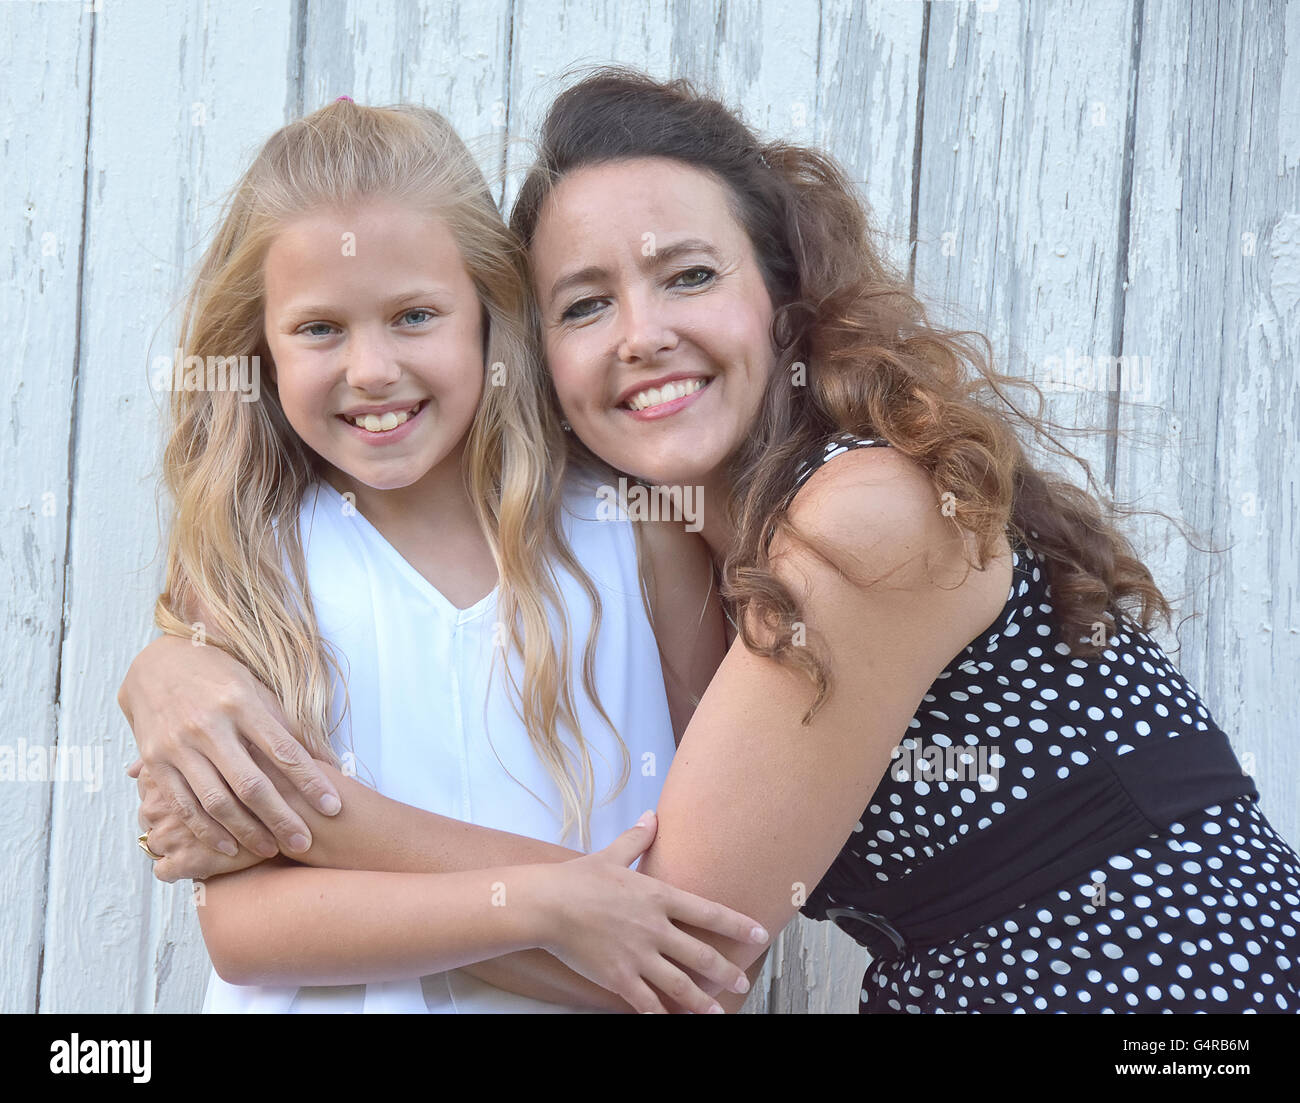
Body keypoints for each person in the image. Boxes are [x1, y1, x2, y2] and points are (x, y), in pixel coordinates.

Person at [122, 70, 1300, 1013]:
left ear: (781, 292)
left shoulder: (866, 514)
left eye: (687, 275)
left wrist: (273, 807)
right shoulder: (668, 533)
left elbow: (675, 936)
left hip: (1157, 979)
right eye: (584, 303)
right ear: (537, 351)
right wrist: (163, 669)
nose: (640, 336)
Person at [126, 96, 767, 1015]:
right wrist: (551, 904)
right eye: (319, 329)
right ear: (260, 347)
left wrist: (531, 921)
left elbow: (694, 931)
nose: (372, 368)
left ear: (489, 313)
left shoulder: (637, 530)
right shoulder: (253, 563)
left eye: (415, 315)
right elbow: (243, 929)